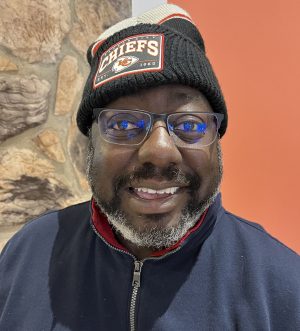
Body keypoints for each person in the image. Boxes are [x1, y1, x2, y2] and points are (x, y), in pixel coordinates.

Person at [0, 4, 299, 331]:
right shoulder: (26, 256)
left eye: (189, 125)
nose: (159, 151)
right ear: (89, 145)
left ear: (216, 143)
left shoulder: (284, 286)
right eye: (124, 123)